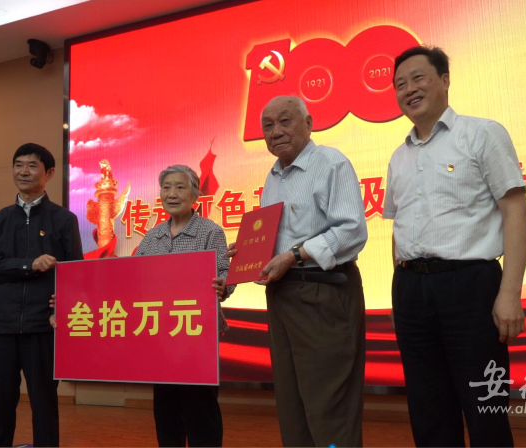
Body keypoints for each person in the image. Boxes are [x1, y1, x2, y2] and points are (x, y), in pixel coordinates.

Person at [383, 46, 526, 447]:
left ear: (445, 80)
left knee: (485, 409)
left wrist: (510, 293)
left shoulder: (482, 134)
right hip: (411, 290)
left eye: (418, 78)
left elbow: (515, 212)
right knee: (428, 412)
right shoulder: (398, 157)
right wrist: (400, 296)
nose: (409, 89)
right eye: (400, 84)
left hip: (470, 286)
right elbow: (399, 227)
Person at [230, 95, 368, 447]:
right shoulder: (273, 176)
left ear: (308, 124)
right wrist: (249, 251)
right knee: (292, 405)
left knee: (329, 407)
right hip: (283, 295)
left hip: (323, 293)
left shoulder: (331, 163)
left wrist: (294, 255)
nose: (275, 132)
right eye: (267, 126)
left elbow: (352, 230)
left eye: (285, 121)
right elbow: (281, 237)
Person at [0, 143, 83, 447]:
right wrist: (28, 265)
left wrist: (63, 305)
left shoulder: (64, 220)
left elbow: (76, 272)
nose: (23, 171)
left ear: (49, 173)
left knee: (44, 405)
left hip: (42, 327)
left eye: (32, 165)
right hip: (0, 327)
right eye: (18, 164)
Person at [135, 164, 234, 447]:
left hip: (196, 335)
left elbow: (224, 272)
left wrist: (224, 286)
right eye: (166, 188)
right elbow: (132, 277)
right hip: (160, 334)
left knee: (201, 409)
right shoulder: (152, 236)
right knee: (166, 411)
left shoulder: (210, 231)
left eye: (180, 187)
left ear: (195, 195)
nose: (172, 194)